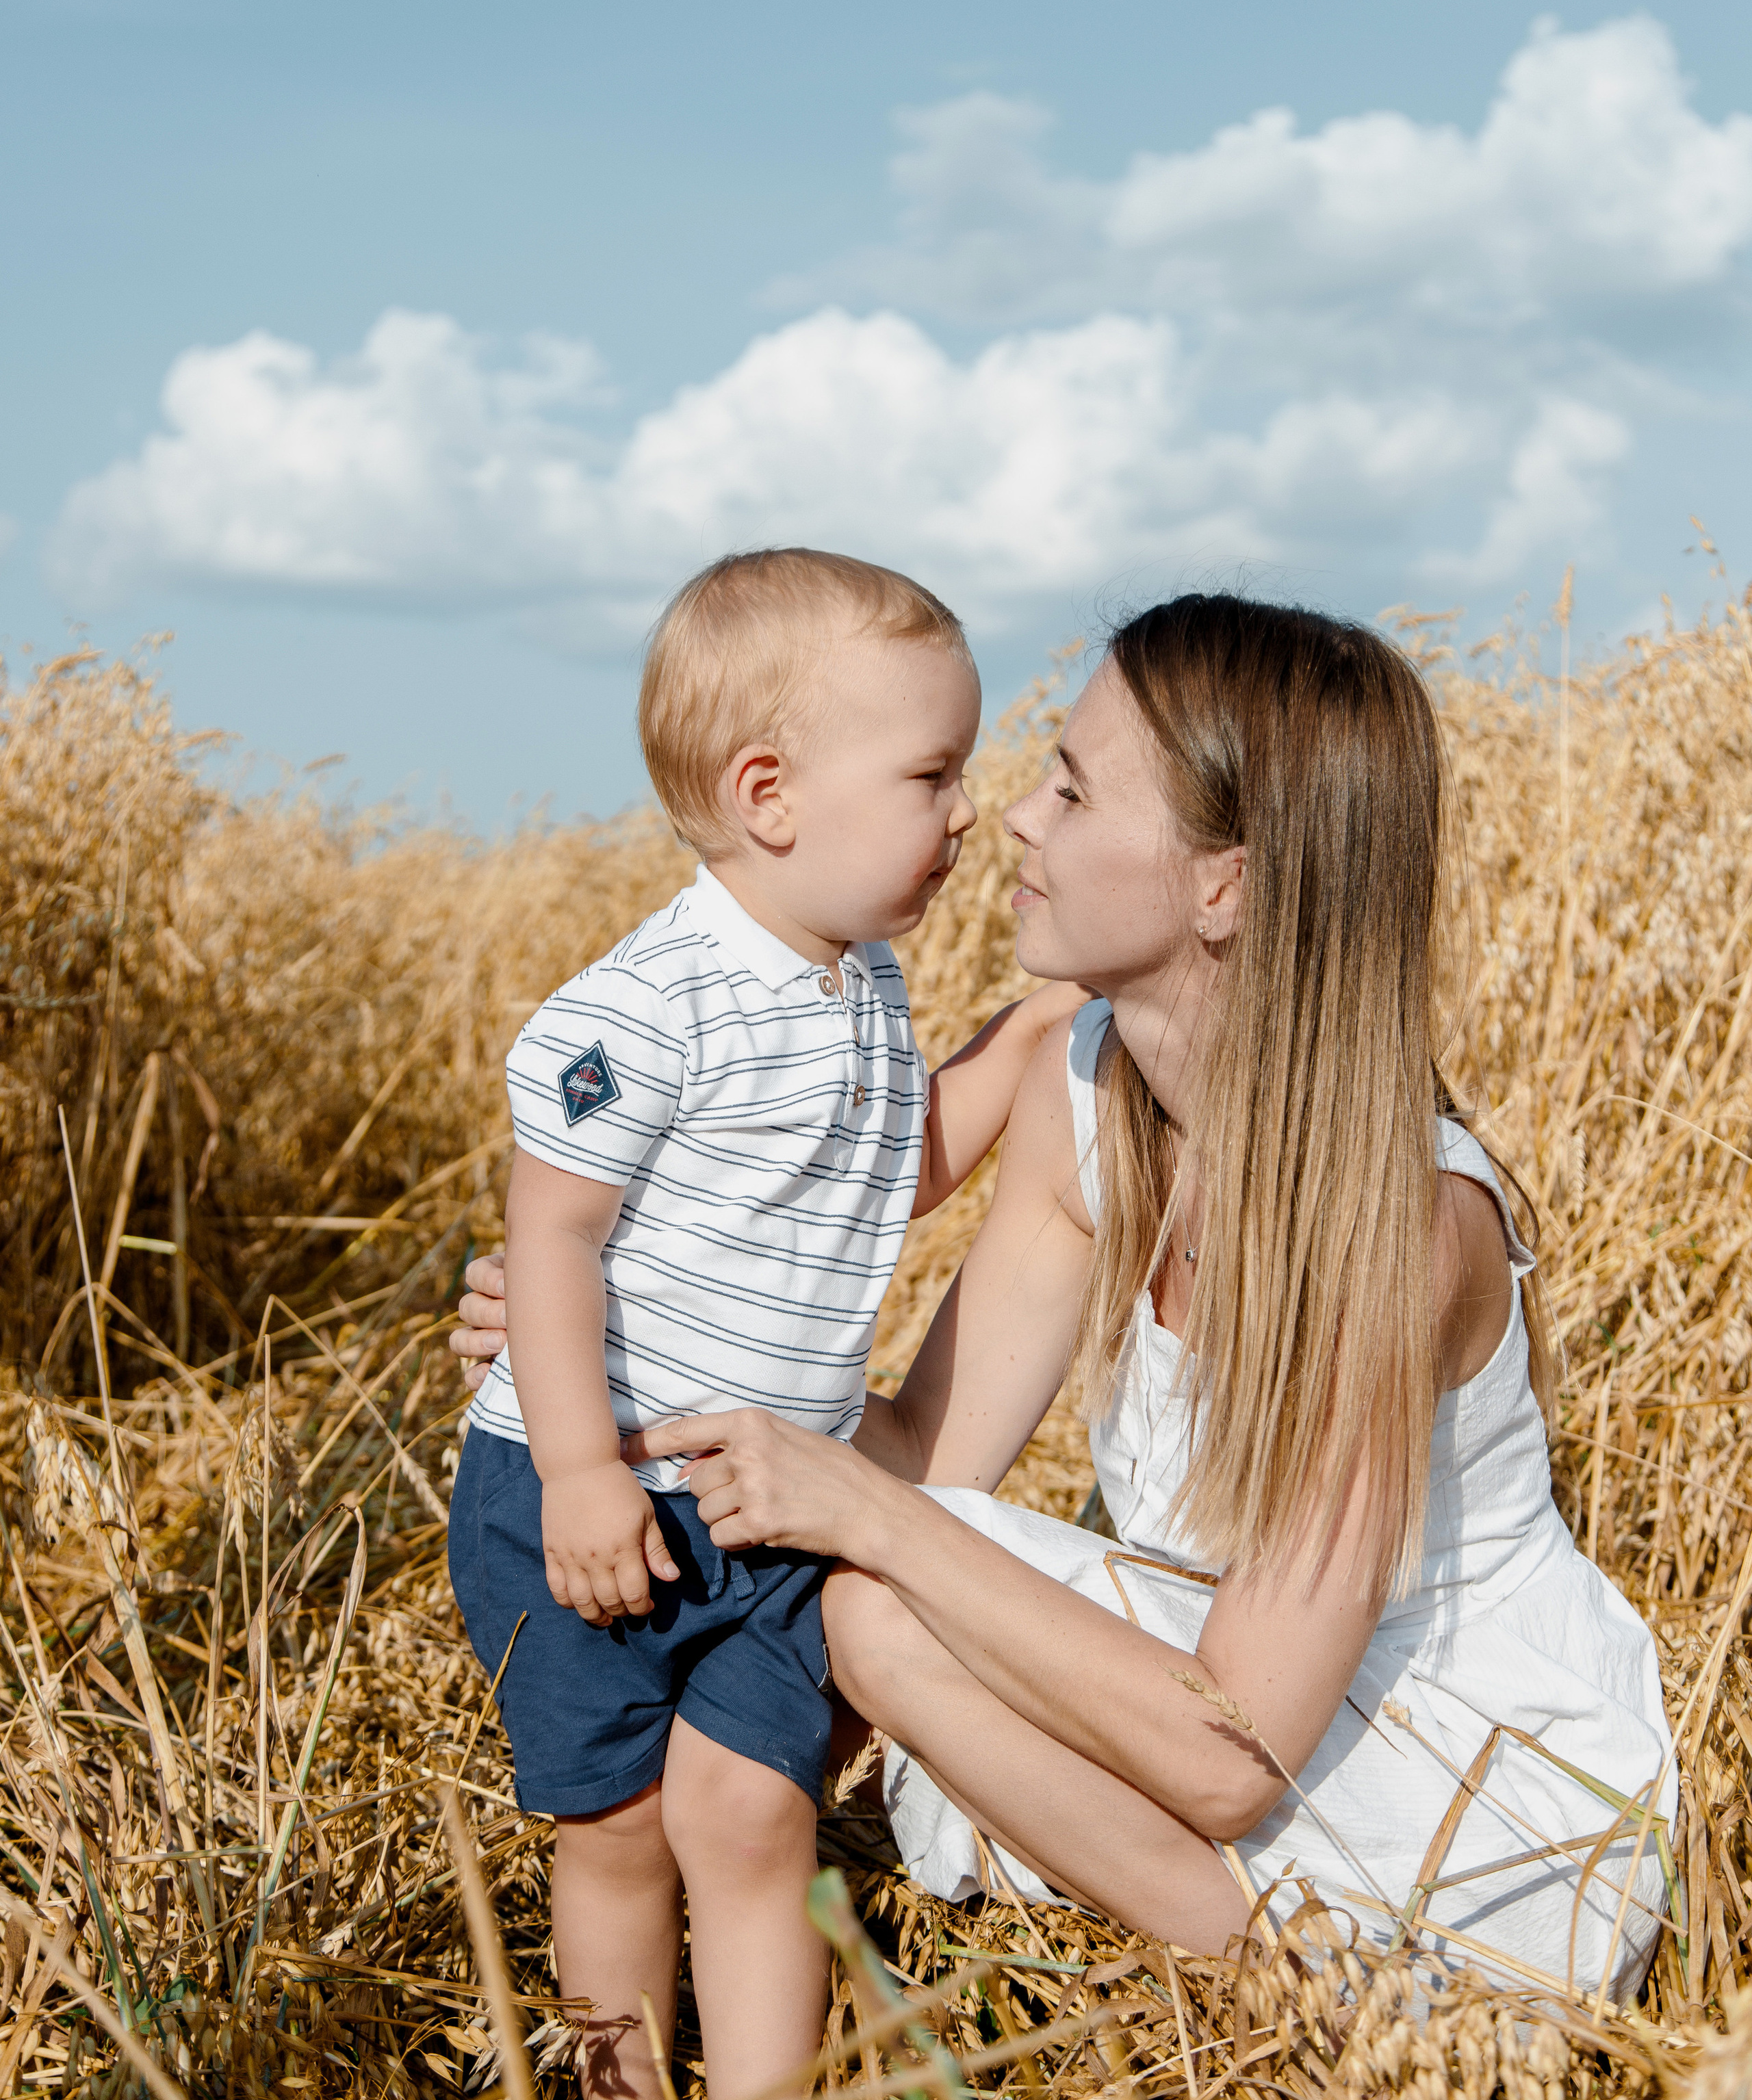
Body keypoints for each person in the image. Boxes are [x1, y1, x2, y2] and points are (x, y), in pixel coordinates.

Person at [456, 591, 1675, 2005]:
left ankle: (1322, 2001)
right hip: (1204, 1670)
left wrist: (868, 1513)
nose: (1010, 820)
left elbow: (1230, 1758)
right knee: (877, 1585)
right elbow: (927, 1454)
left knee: (876, 1594)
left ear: (1223, 883)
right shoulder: (1080, 1086)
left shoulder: (1400, 1229)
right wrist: (623, 1362)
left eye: (1071, 787)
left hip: (1452, 1794)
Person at [448, 547, 1081, 2100]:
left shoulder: (858, 982)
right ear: (768, 795)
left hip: (759, 1497)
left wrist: (1033, 1040)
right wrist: (579, 1470)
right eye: (934, 775)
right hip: (587, 1490)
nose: (967, 815)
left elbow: (888, 1178)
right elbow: (554, 1241)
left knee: (752, 1809)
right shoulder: (645, 1008)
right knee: (617, 1826)